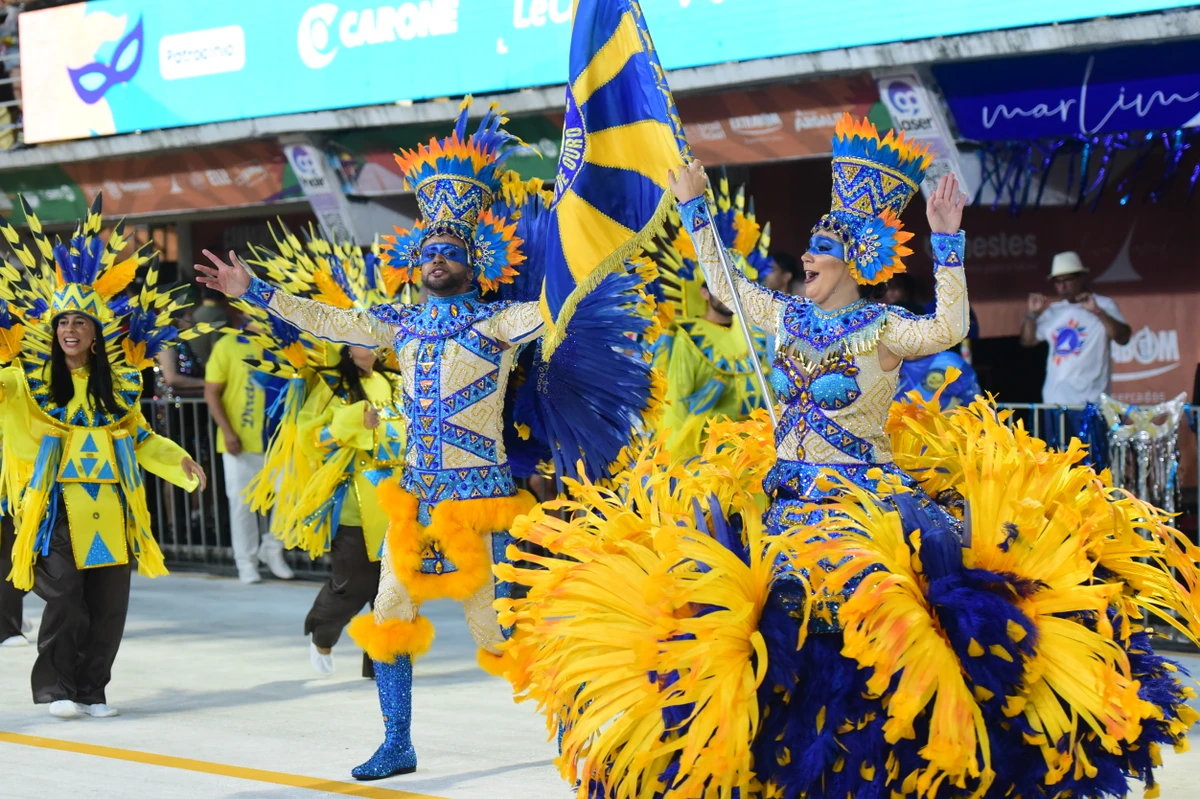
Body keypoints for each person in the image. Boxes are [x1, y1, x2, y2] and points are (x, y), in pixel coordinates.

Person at [502, 116, 1200, 799]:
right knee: (766, 631)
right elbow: (725, 283)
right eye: (808, 248)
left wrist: (947, 239)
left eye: (819, 248)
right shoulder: (787, 316)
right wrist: (693, 205)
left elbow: (950, 325)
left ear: (856, 259)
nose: (805, 258)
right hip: (787, 499)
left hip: (860, 507)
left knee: (862, 639)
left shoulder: (884, 329)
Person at [196, 100, 658, 780]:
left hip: (482, 504)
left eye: (451, 252)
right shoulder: (400, 324)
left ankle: (588, 731)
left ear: (475, 261)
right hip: (415, 502)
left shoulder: (501, 323)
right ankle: (398, 743)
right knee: (388, 615)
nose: (438, 259)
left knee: (502, 630)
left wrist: (593, 237)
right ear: (414, 264)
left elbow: (559, 304)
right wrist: (256, 291)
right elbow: (331, 321)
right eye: (429, 252)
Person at [0, 195, 206, 718]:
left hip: (111, 508)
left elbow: (139, 439)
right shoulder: (24, 381)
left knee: (109, 605)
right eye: (62, 323)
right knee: (64, 594)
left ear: (95, 334)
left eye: (80, 323)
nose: (70, 330)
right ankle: (55, 688)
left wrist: (179, 462)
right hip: (53, 508)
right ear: (53, 332)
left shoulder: (117, 388)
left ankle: (92, 690)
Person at [239, 229, 405, 678]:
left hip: (397, 500)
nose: (369, 343)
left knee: (393, 591)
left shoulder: (394, 382)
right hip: (352, 501)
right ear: (344, 341)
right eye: (359, 335)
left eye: (373, 334)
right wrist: (352, 423)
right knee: (353, 585)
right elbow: (311, 437)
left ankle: (382, 668)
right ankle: (322, 632)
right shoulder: (329, 385)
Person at [205, 323, 295, 584]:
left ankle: (273, 548)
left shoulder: (285, 344)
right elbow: (211, 392)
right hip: (240, 441)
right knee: (242, 504)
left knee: (290, 497)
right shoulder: (228, 344)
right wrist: (227, 432)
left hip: (281, 440)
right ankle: (246, 562)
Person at [1022, 250, 1131, 405]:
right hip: (1054, 402)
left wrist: (1097, 312)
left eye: (1067, 280)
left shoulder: (1103, 304)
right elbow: (1028, 341)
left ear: (1080, 278)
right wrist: (1032, 315)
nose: (1062, 287)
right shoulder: (1053, 310)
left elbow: (1123, 338)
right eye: (1057, 282)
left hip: (1091, 402)